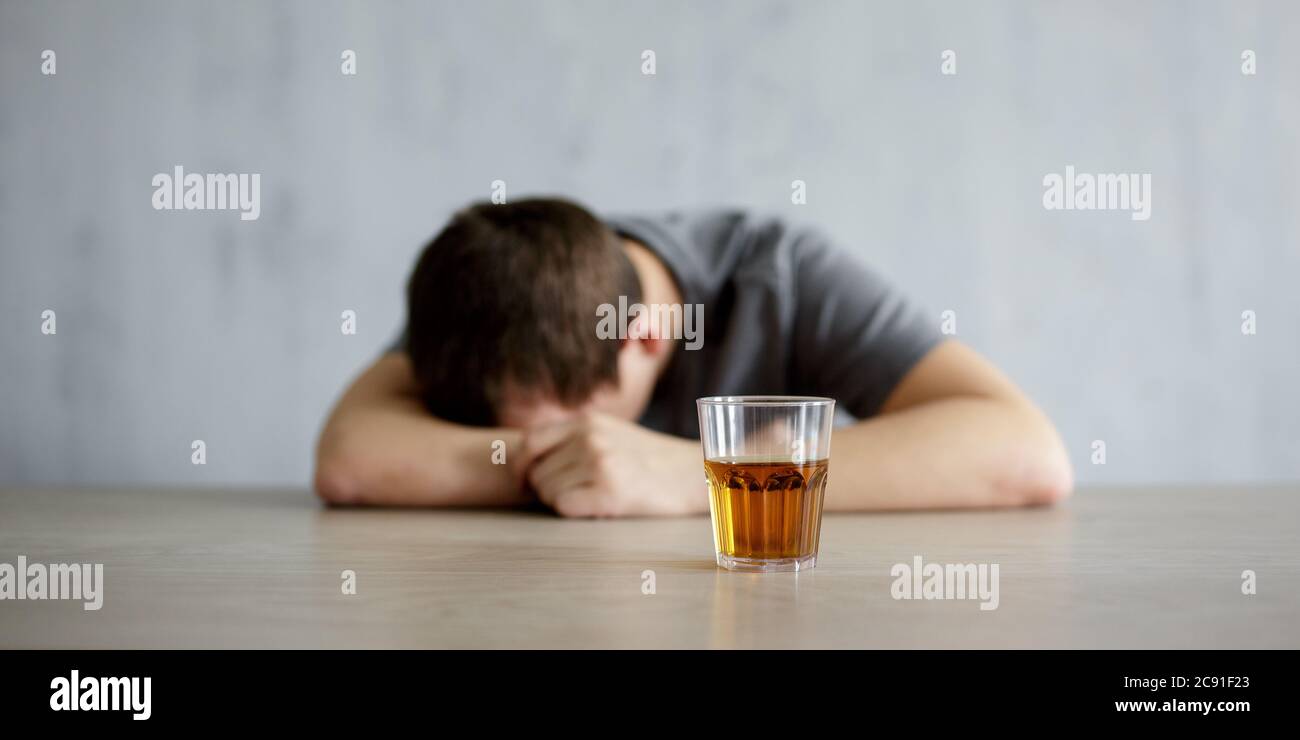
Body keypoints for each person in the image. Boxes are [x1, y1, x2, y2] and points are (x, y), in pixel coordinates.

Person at [314, 198, 1072, 516]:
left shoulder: (783, 274)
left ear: (641, 334)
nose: (574, 456)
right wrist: (555, 460)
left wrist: (698, 475)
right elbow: (350, 457)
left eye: (576, 430)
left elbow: (1026, 453)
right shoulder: (499, 293)